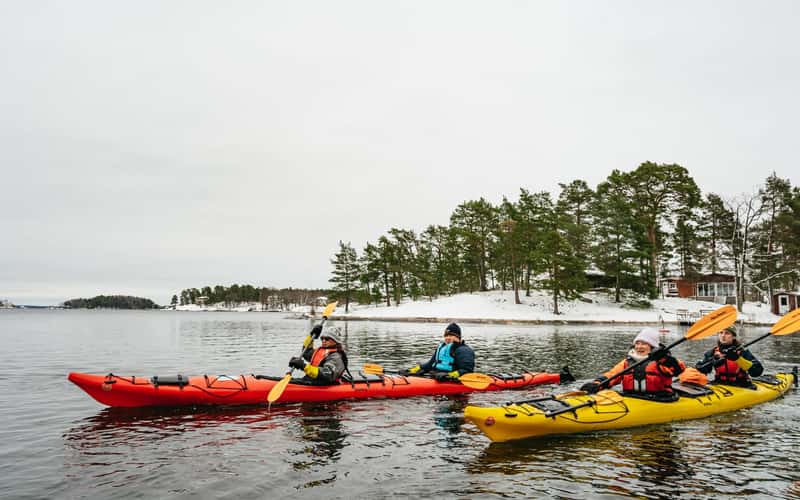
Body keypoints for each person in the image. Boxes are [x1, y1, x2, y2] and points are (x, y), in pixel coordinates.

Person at [580, 327, 685, 400]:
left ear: (652, 347)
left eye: (644, 344)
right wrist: (596, 384)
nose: (639, 347)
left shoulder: (661, 361)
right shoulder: (627, 362)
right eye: (637, 343)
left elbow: (679, 370)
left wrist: (664, 358)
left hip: (660, 399)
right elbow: (611, 375)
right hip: (631, 397)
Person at [401, 323, 475, 381]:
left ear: (458, 337)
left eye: (451, 335)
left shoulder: (463, 350)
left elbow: (467, 371)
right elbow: (430, 364)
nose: (448, 338)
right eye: (446, 336)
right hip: (437, 376)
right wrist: (416, 369)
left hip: (450, 380)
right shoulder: (442, 347)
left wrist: (450, 375)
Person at [695, 326, 763, 387]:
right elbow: (700, 370)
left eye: (727, 333)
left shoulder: (742, 351)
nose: (723, 336)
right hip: (719, 383)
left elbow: (757, 372)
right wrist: (712, 361)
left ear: (733, 337)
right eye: (721, 333)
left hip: (741, 384)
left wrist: (738, 359)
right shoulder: (713, 352)